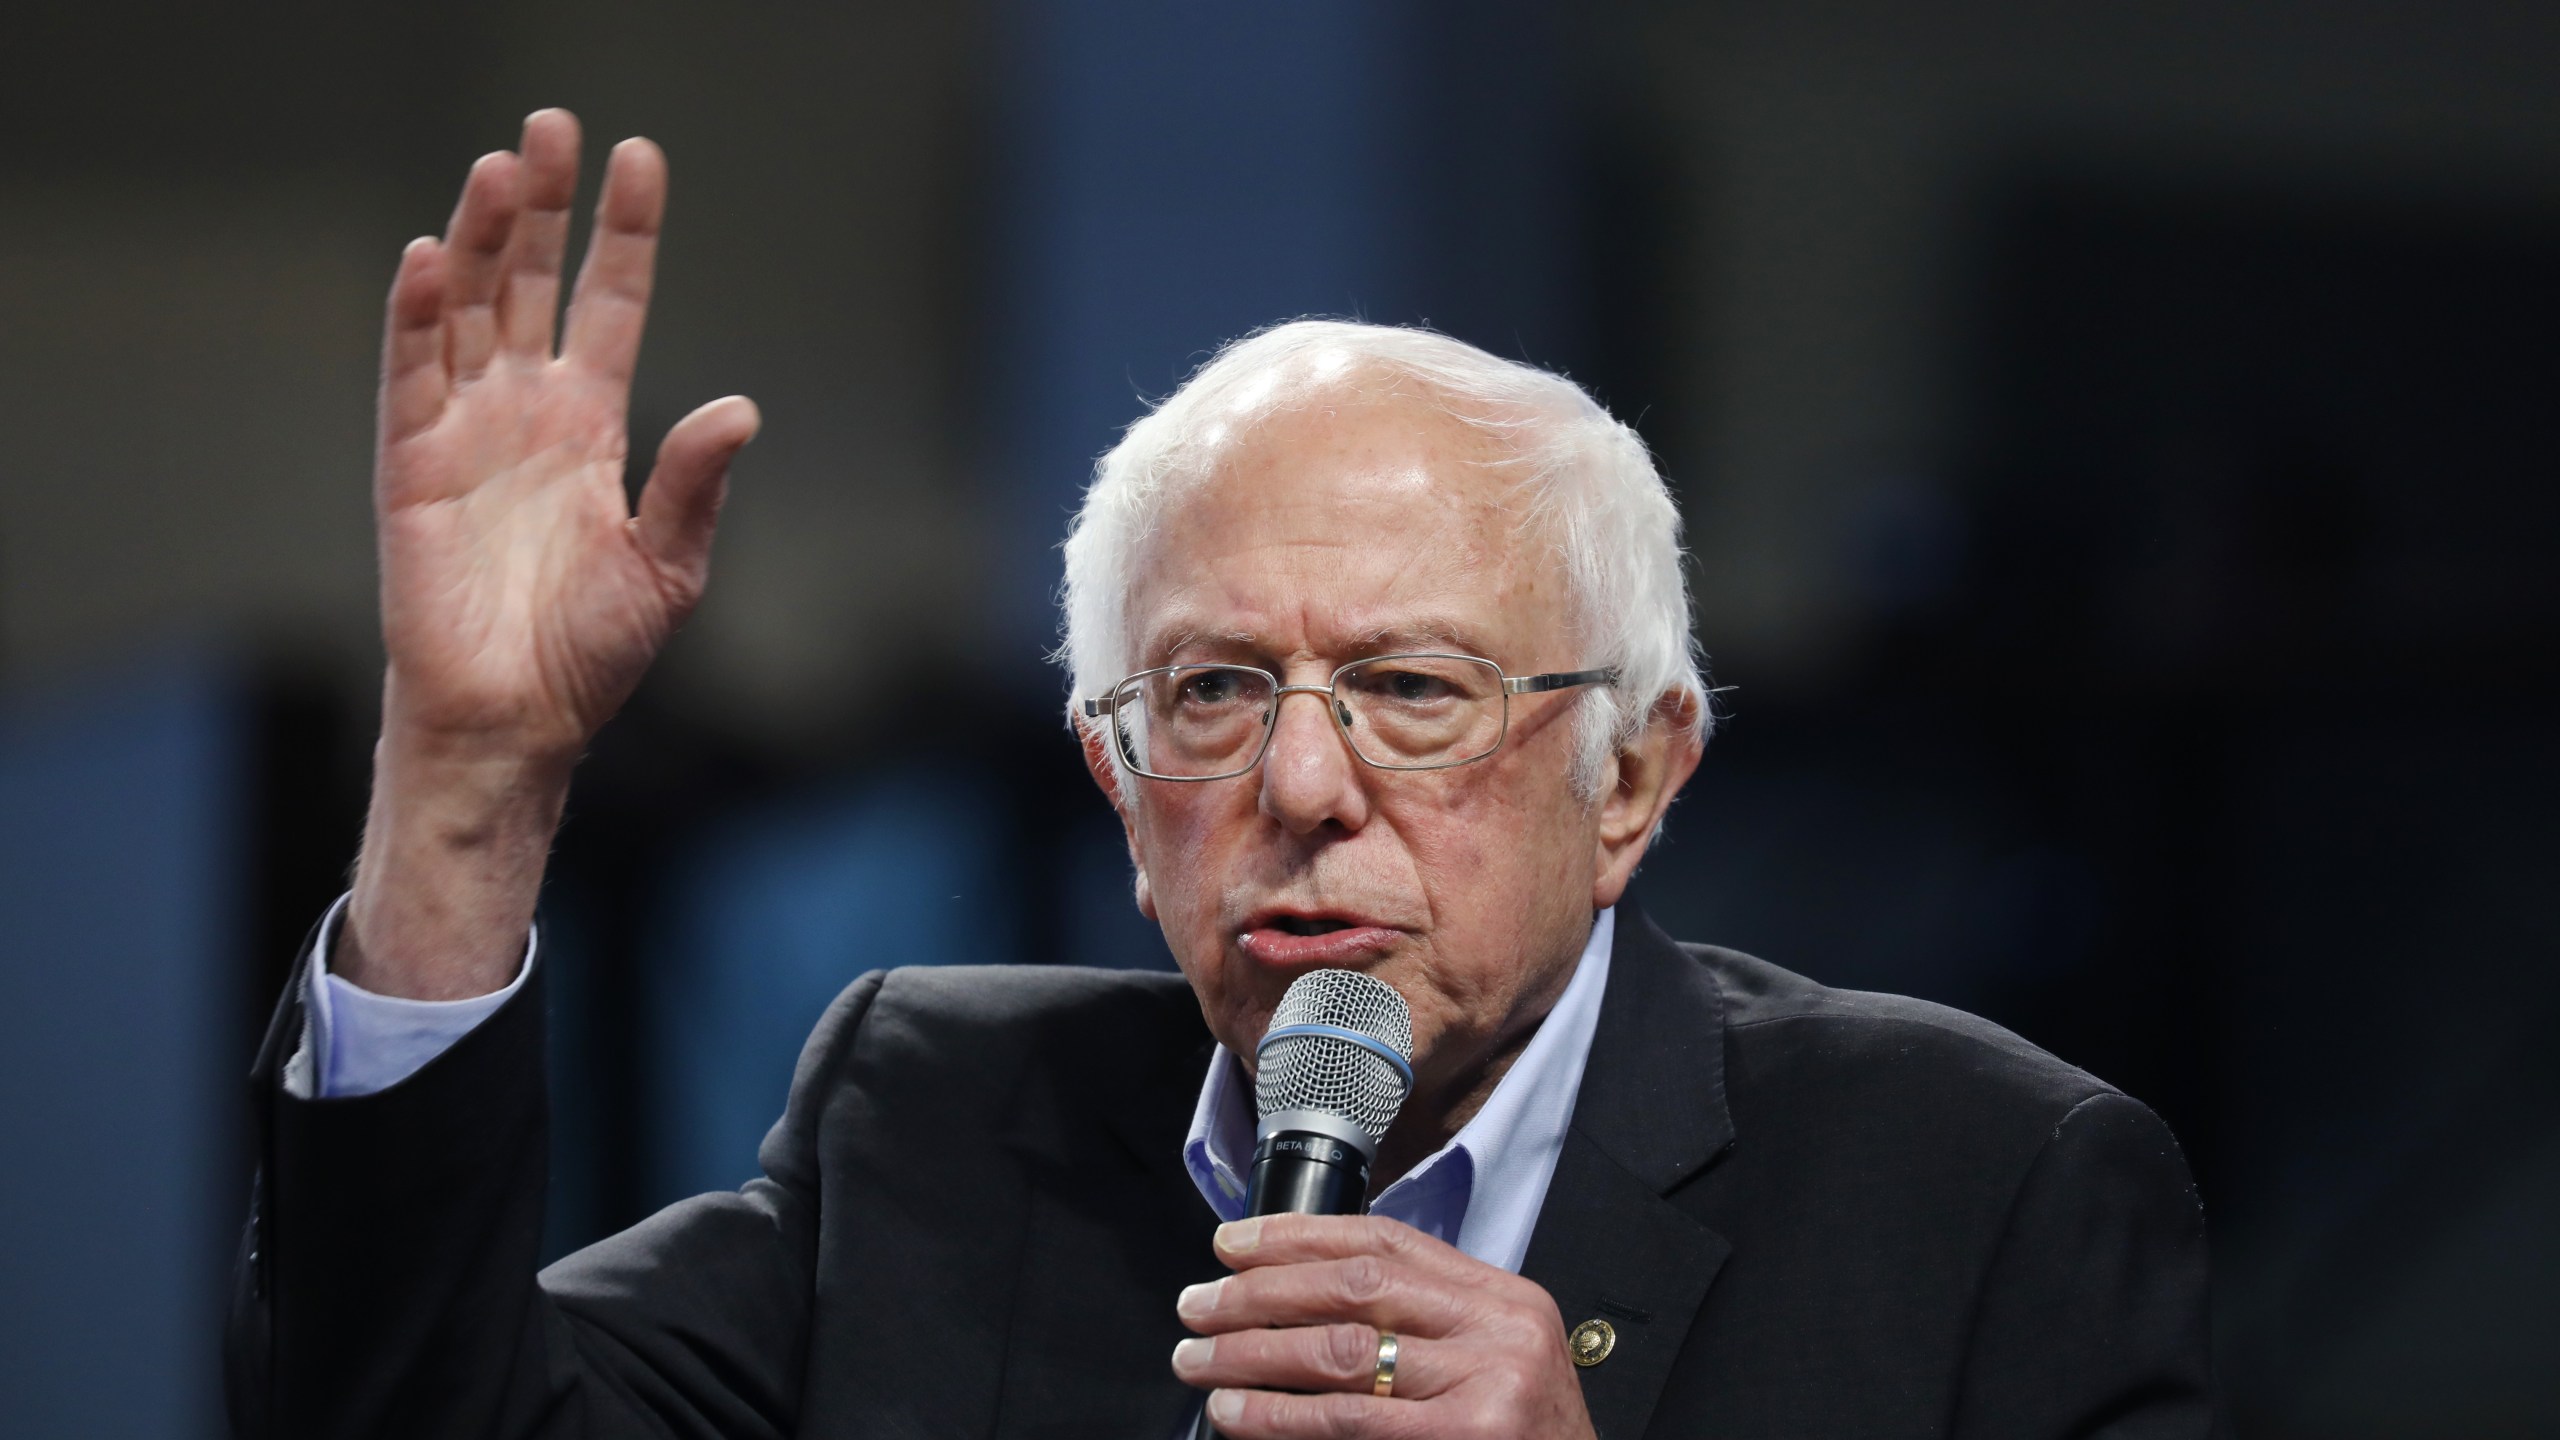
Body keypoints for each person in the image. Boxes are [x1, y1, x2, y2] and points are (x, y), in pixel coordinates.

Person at [228, 110, 2214, 1439]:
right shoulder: (932, 1132)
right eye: (1203, 697)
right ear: (1111, 781)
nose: (1298, 783)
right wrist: (470, 781)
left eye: (1410, 692)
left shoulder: (1978, 1194)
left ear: (1632, 777)